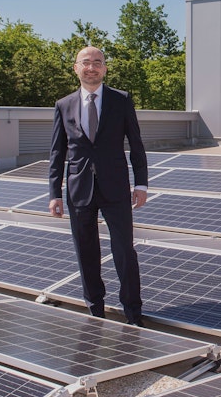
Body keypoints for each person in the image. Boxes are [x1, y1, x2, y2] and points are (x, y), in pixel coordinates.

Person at [49, 46, 149, 326]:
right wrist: (54, 193)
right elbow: (57, 152)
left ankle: (133, 311)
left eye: (97, 63)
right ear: (76, 68)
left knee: (124, 251)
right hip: (78, 189)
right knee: (86, 251)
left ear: (105, 68)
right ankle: (95, 309)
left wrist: (141, 184)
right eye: (86, 63)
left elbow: (136, 144)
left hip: (116, 188)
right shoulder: (63, 104)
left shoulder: (122, 100)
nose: (91, 67)